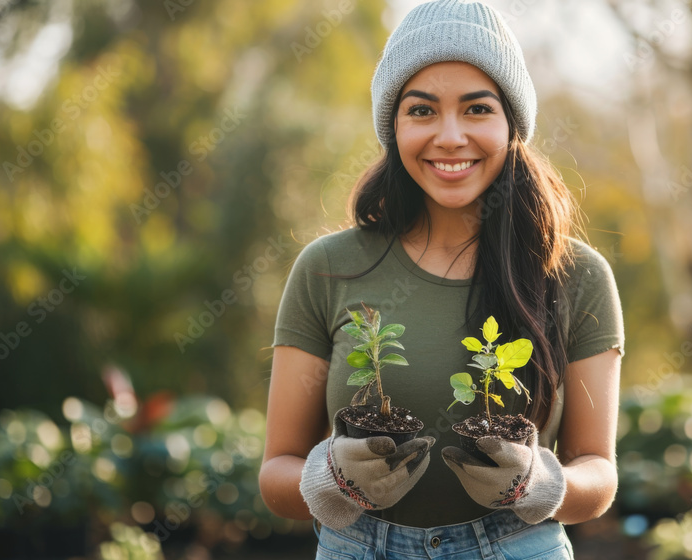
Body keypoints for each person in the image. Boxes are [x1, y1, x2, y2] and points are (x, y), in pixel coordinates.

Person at [259, 1, 625, 558]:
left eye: (477, 109)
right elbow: (276, 475)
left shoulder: (575, 275)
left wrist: (543, 486)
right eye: (422, 111)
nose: (450, 137)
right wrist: (327, 478)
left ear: (511, 125)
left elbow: (597, 473)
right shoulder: (327, 268)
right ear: (394, 127)